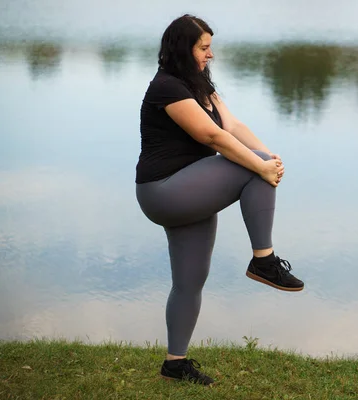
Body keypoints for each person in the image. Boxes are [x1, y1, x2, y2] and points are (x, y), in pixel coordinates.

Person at [134, 14, 304, 386]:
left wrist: (269, 157)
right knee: (251, 167)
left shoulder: (200, 85)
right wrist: (259, 167)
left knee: (190, 280)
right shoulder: (167, 87)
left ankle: (174, 364)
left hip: (191, 188)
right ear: (184, 49)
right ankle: (264, 260)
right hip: (164, 190)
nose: (210, 55)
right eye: (204, 48)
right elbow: (211, 137)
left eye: (210, 47)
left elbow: (232, 127)